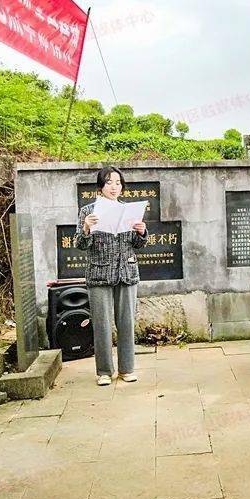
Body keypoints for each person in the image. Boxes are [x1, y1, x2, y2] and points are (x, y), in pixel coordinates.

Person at [74, 165, 147, 386]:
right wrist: (86, 228)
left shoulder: (129, 210)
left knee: (126, 322)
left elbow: (137, 244)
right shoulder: (88, 211)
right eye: (109, 182)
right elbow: (80, 244)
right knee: (102, 324)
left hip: (127, 271)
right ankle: (104, 371)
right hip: (99, 273)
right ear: (100, 186)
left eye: (117, 183)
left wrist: (141, 231)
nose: (114, 187)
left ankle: (127, 369)